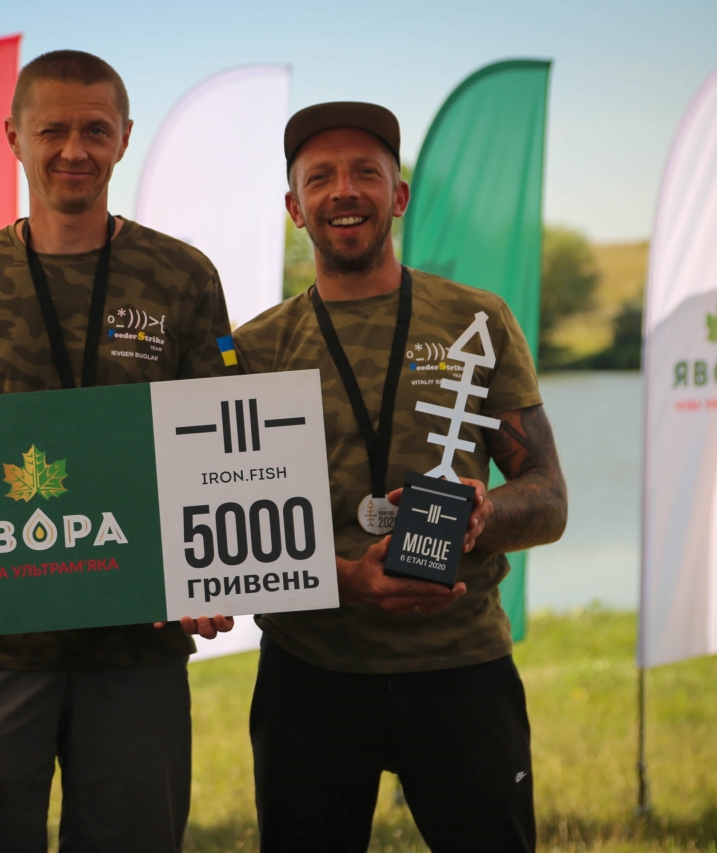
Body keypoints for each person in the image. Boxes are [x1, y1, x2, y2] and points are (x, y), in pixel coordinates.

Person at [0, 50, 235, 853]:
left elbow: (218, 446)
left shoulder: (182, 276)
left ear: (125, 137)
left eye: (96, 130)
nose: (75, 149)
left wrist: (211, 574)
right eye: (54, 130)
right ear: (14, 136)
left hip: (135, 648)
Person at [233, 102, 568, 852]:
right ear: (295, 207)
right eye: (320, 177)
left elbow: (548, 495)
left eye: (365, 172)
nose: (344, 190)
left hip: (462, 667)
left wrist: (484, 514)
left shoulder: (476, 321)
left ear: (400, 195)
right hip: (310, 672)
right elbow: (239, 536)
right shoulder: (256, 350)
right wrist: (348, 580)